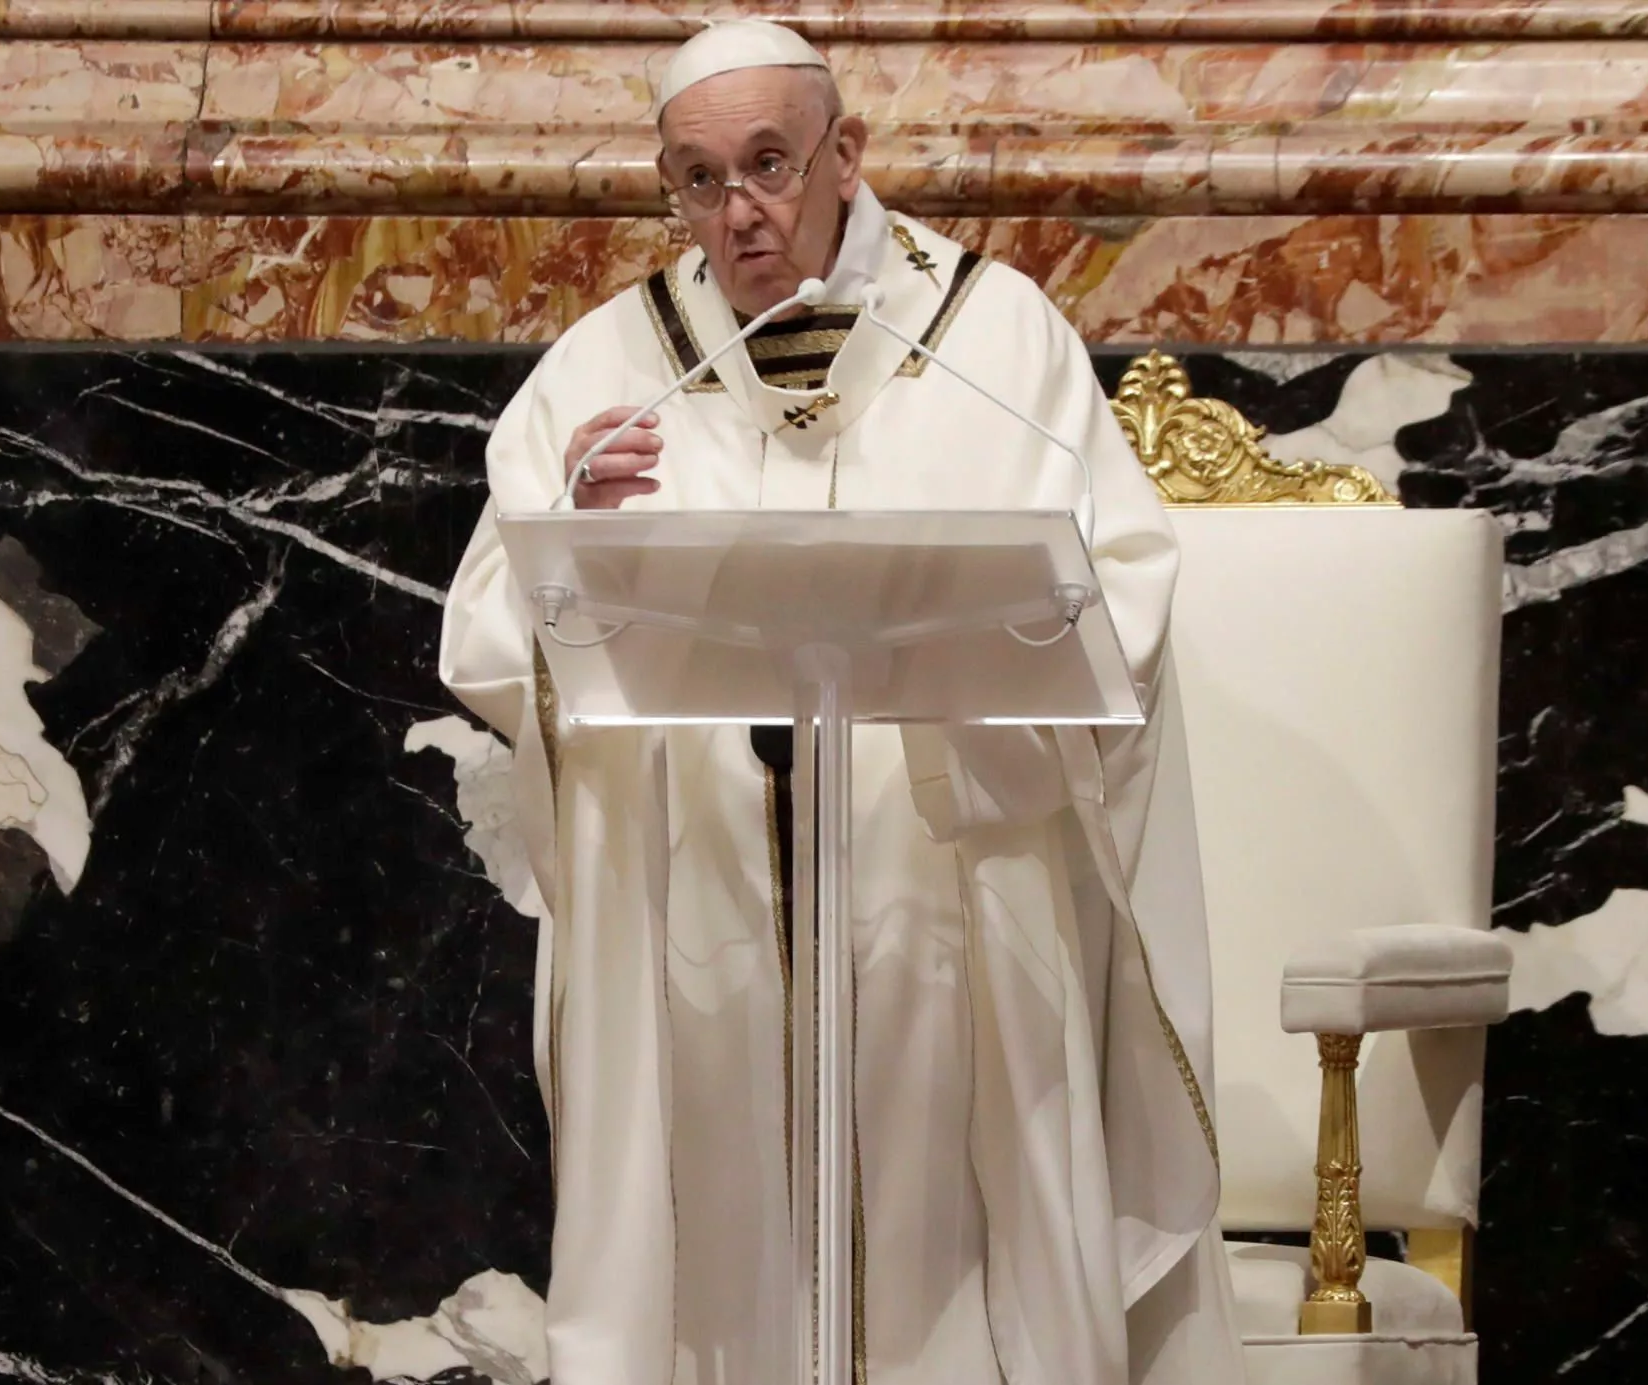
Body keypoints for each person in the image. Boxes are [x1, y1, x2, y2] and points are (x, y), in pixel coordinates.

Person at [439, 19, 1242, 1384]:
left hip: (951, 899)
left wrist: (1000, 630)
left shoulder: (995, 337)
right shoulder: (611, 367)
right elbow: (490, 635)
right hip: (711, 923)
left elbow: (1125, 588)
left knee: (956, 1239)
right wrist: (574, 537)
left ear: (845, 153)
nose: (738, 213)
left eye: (768, 165)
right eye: (697, 180)